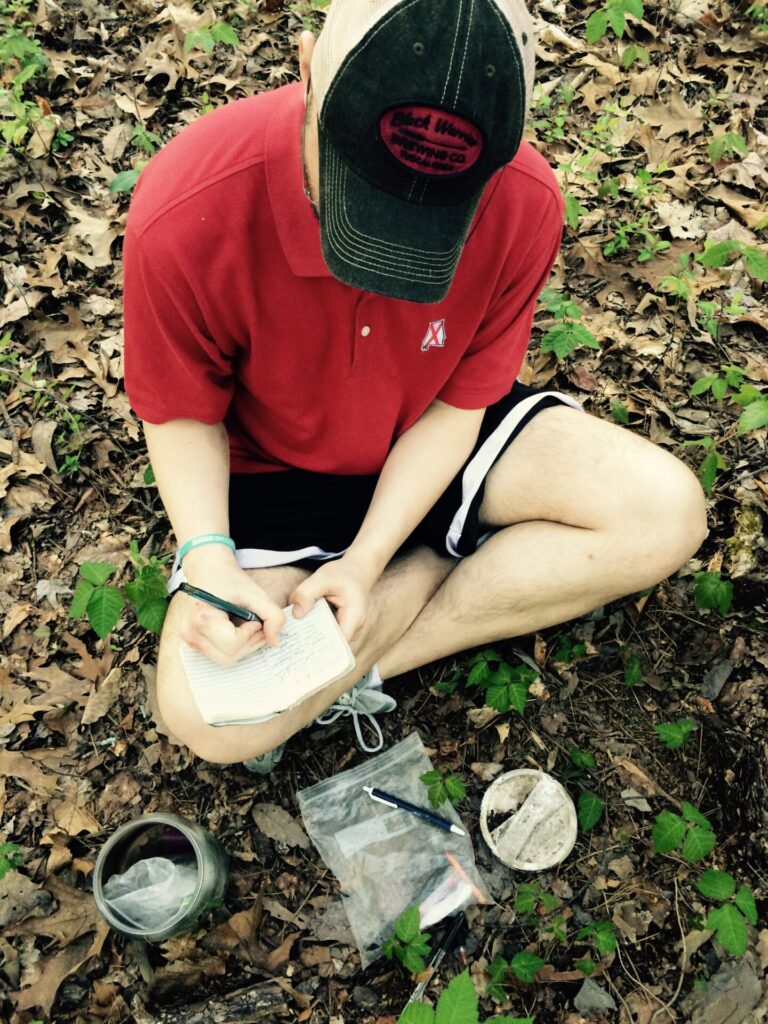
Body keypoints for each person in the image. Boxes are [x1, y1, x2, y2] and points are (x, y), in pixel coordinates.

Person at [123, 0, 707, 769]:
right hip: (272, 469)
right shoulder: (187, 208)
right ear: (306, 67)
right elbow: (181, 413)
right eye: (364, 193)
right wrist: (209, 560)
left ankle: (361, 660)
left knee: (667, 512)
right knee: (206, 719)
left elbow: (460, 402)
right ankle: (449, 558)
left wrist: (367, 564)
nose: (388, 257)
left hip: (434, 433)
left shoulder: (524, 200)